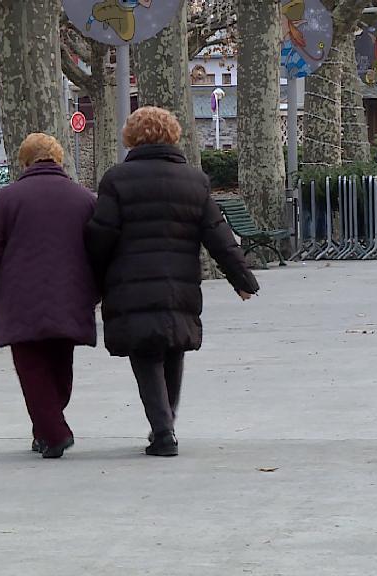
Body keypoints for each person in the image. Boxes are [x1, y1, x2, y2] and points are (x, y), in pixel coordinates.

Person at [85, 107, 259, 457]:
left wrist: (92, 279)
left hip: (130, 283)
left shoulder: (116, 179)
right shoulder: (194, 181)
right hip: (179, 283)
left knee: (145, 353)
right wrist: (242, 279)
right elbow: (218, 235)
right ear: (174, 135)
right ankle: (166, 425)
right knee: (173, 347)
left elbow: (101, 235)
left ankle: (163, 430)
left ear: (131, 137)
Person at [0, 133, 99, 459]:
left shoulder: (7, 199)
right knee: (60, 367)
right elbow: (101, 249)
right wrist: (95, 291)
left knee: (32, 370)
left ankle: (54, 432)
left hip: (19, 299)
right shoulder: (84, 199)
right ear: (59, 160)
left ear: (25, 163)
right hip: (70, 296)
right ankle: (45, 428)